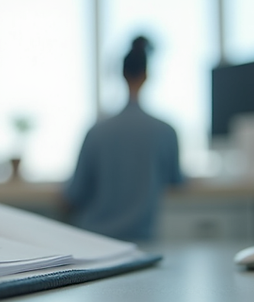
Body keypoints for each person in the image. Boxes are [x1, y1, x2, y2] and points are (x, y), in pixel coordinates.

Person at [64, 36, 184, 241]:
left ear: (122, 74)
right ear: (146, 75)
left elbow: (74, 195)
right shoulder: (165, 132)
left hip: (95, 242)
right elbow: (177, 181)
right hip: (142, 243)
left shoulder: (97, 131)